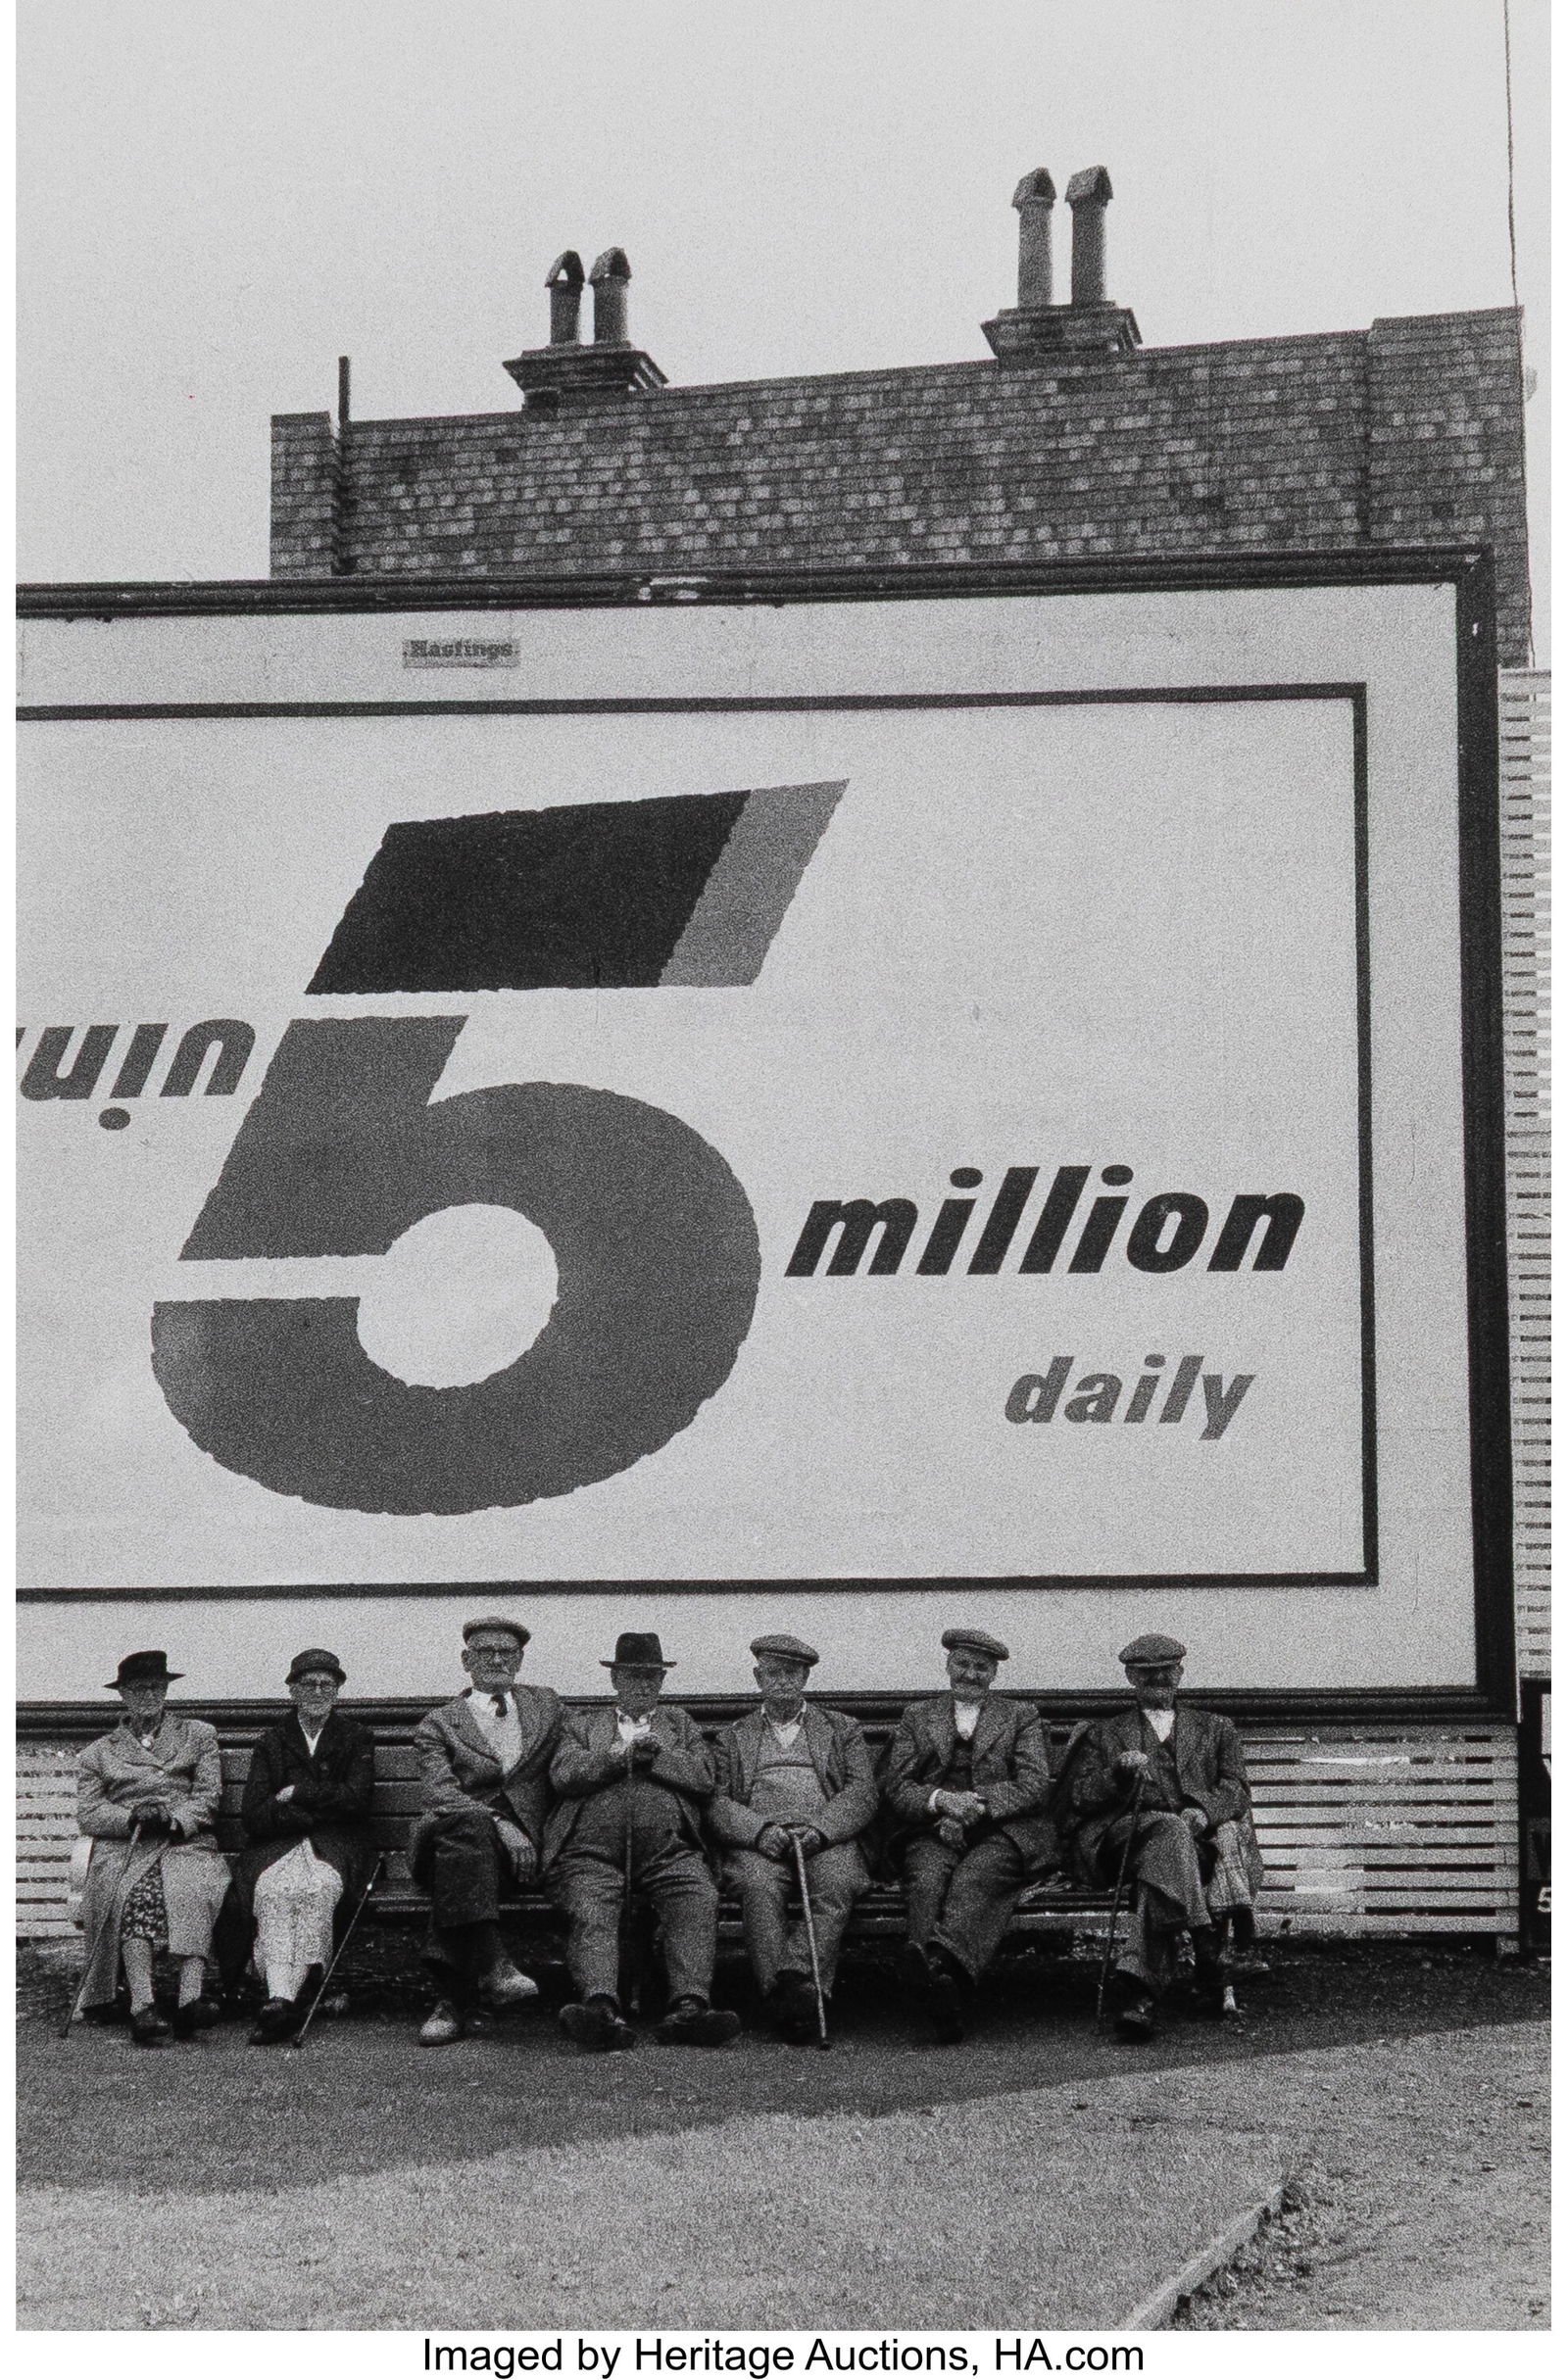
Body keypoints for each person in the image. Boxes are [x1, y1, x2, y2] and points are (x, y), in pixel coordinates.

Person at [1057, 1633, 1263, 2039]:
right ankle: (1206, 1946)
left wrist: (1203, 1811)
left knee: (1161, 1868)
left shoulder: (1216, 1728)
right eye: (1147, 1673)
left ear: (1180, 1673)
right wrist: (1117, 1773)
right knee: (1167, 1832)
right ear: (1131, 1678)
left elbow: (1236, 1789)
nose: (1158, 1679)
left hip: (1195, 1845)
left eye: (1166, 1671)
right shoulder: (1104, 1733)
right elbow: (1078, 1798)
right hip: (1121, 1841)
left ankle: (1142, 1996)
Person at [546, 1631, 740, 2051]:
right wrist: (618, 1758)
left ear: (662, 1682)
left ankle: (689, 2008)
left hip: (669, 1851)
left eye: (651, 1677)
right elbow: (564, 1774)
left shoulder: (679, 1725)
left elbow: (704, 1777)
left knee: (697, 1894)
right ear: (615, 1679)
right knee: (591, 1903)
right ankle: (600, 2010)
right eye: (633, 1677)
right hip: (589, 1854)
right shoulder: (583, 1724)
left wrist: (658, 1757)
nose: (642, 1685)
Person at [883, 1627, 1054, 2042]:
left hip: (1002, 1828)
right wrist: (942, 1802)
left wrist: (973, 1807)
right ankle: (938, 1982)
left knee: (976, 1876)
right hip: (933, 1827)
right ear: (948, 1665)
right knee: (926, 1877)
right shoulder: (917, 1716)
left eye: (981, 1667)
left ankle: (935, 1973)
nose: (971, 1674)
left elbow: (1033, 1784)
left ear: (994, 1674)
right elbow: (897, 1786)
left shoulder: (1020, 1716)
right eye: (963, 1664)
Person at [708, 1634, 877, 2041]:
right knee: (757, 1885)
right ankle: (788, 2001)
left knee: (839, 1882)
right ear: (758, 1678)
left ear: (804, 1678)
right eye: (773, 1673)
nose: (782, 1680)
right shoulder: (732, 1737)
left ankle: (794, 1982)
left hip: (824, 1835)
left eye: (792, 1672)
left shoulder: (842, 1729)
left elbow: (862, 1791)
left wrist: (821, 1830)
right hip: (760, 1839)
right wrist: (759, 1832)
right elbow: (715, 1801)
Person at [410, 1616, 564, 2046]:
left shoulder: (546, 1706)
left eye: (507, 1652)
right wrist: (499, 1823)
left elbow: (577, 1753)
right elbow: (441, 1794)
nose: (497, 1660)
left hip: (521, 1857)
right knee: (468, 1829)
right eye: (485, 1652)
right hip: (450, 1838)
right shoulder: (438, 1724)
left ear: (520, 1660)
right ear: (466, 1660)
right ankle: (495, 1965)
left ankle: (450, 2001)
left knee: (461, 1866)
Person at [75, 1650, 232, 2044]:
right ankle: (142, 2007)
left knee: (193, 1889)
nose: (149, 1695)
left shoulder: (198, 1735)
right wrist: (130, 1817)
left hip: (184, 1842)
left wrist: (175, 1819)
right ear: (123, 1695)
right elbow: (89, 1812)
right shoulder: (99, 1752)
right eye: (139, 1688)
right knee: (132, 1893)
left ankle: (190, 2001)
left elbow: (208, 1796)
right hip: (127, 1846)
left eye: (157, 1687)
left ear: (166, 1690)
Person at [232, 1648, 377, 2044]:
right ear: (292, 1690)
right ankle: (284, 1999)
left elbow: (358, 1801)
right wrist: (311, 1814)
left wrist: (298, 1793)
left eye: (327, 1685)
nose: (317, 1692)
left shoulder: (356, 1737)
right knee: (273, 1890)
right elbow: (254, 1814)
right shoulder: (272, 1742)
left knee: (318, 1888)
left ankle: (282, 2001)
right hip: (276, 1846)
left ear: (338, 1690)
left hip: (337, 1847)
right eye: (308, 1684)